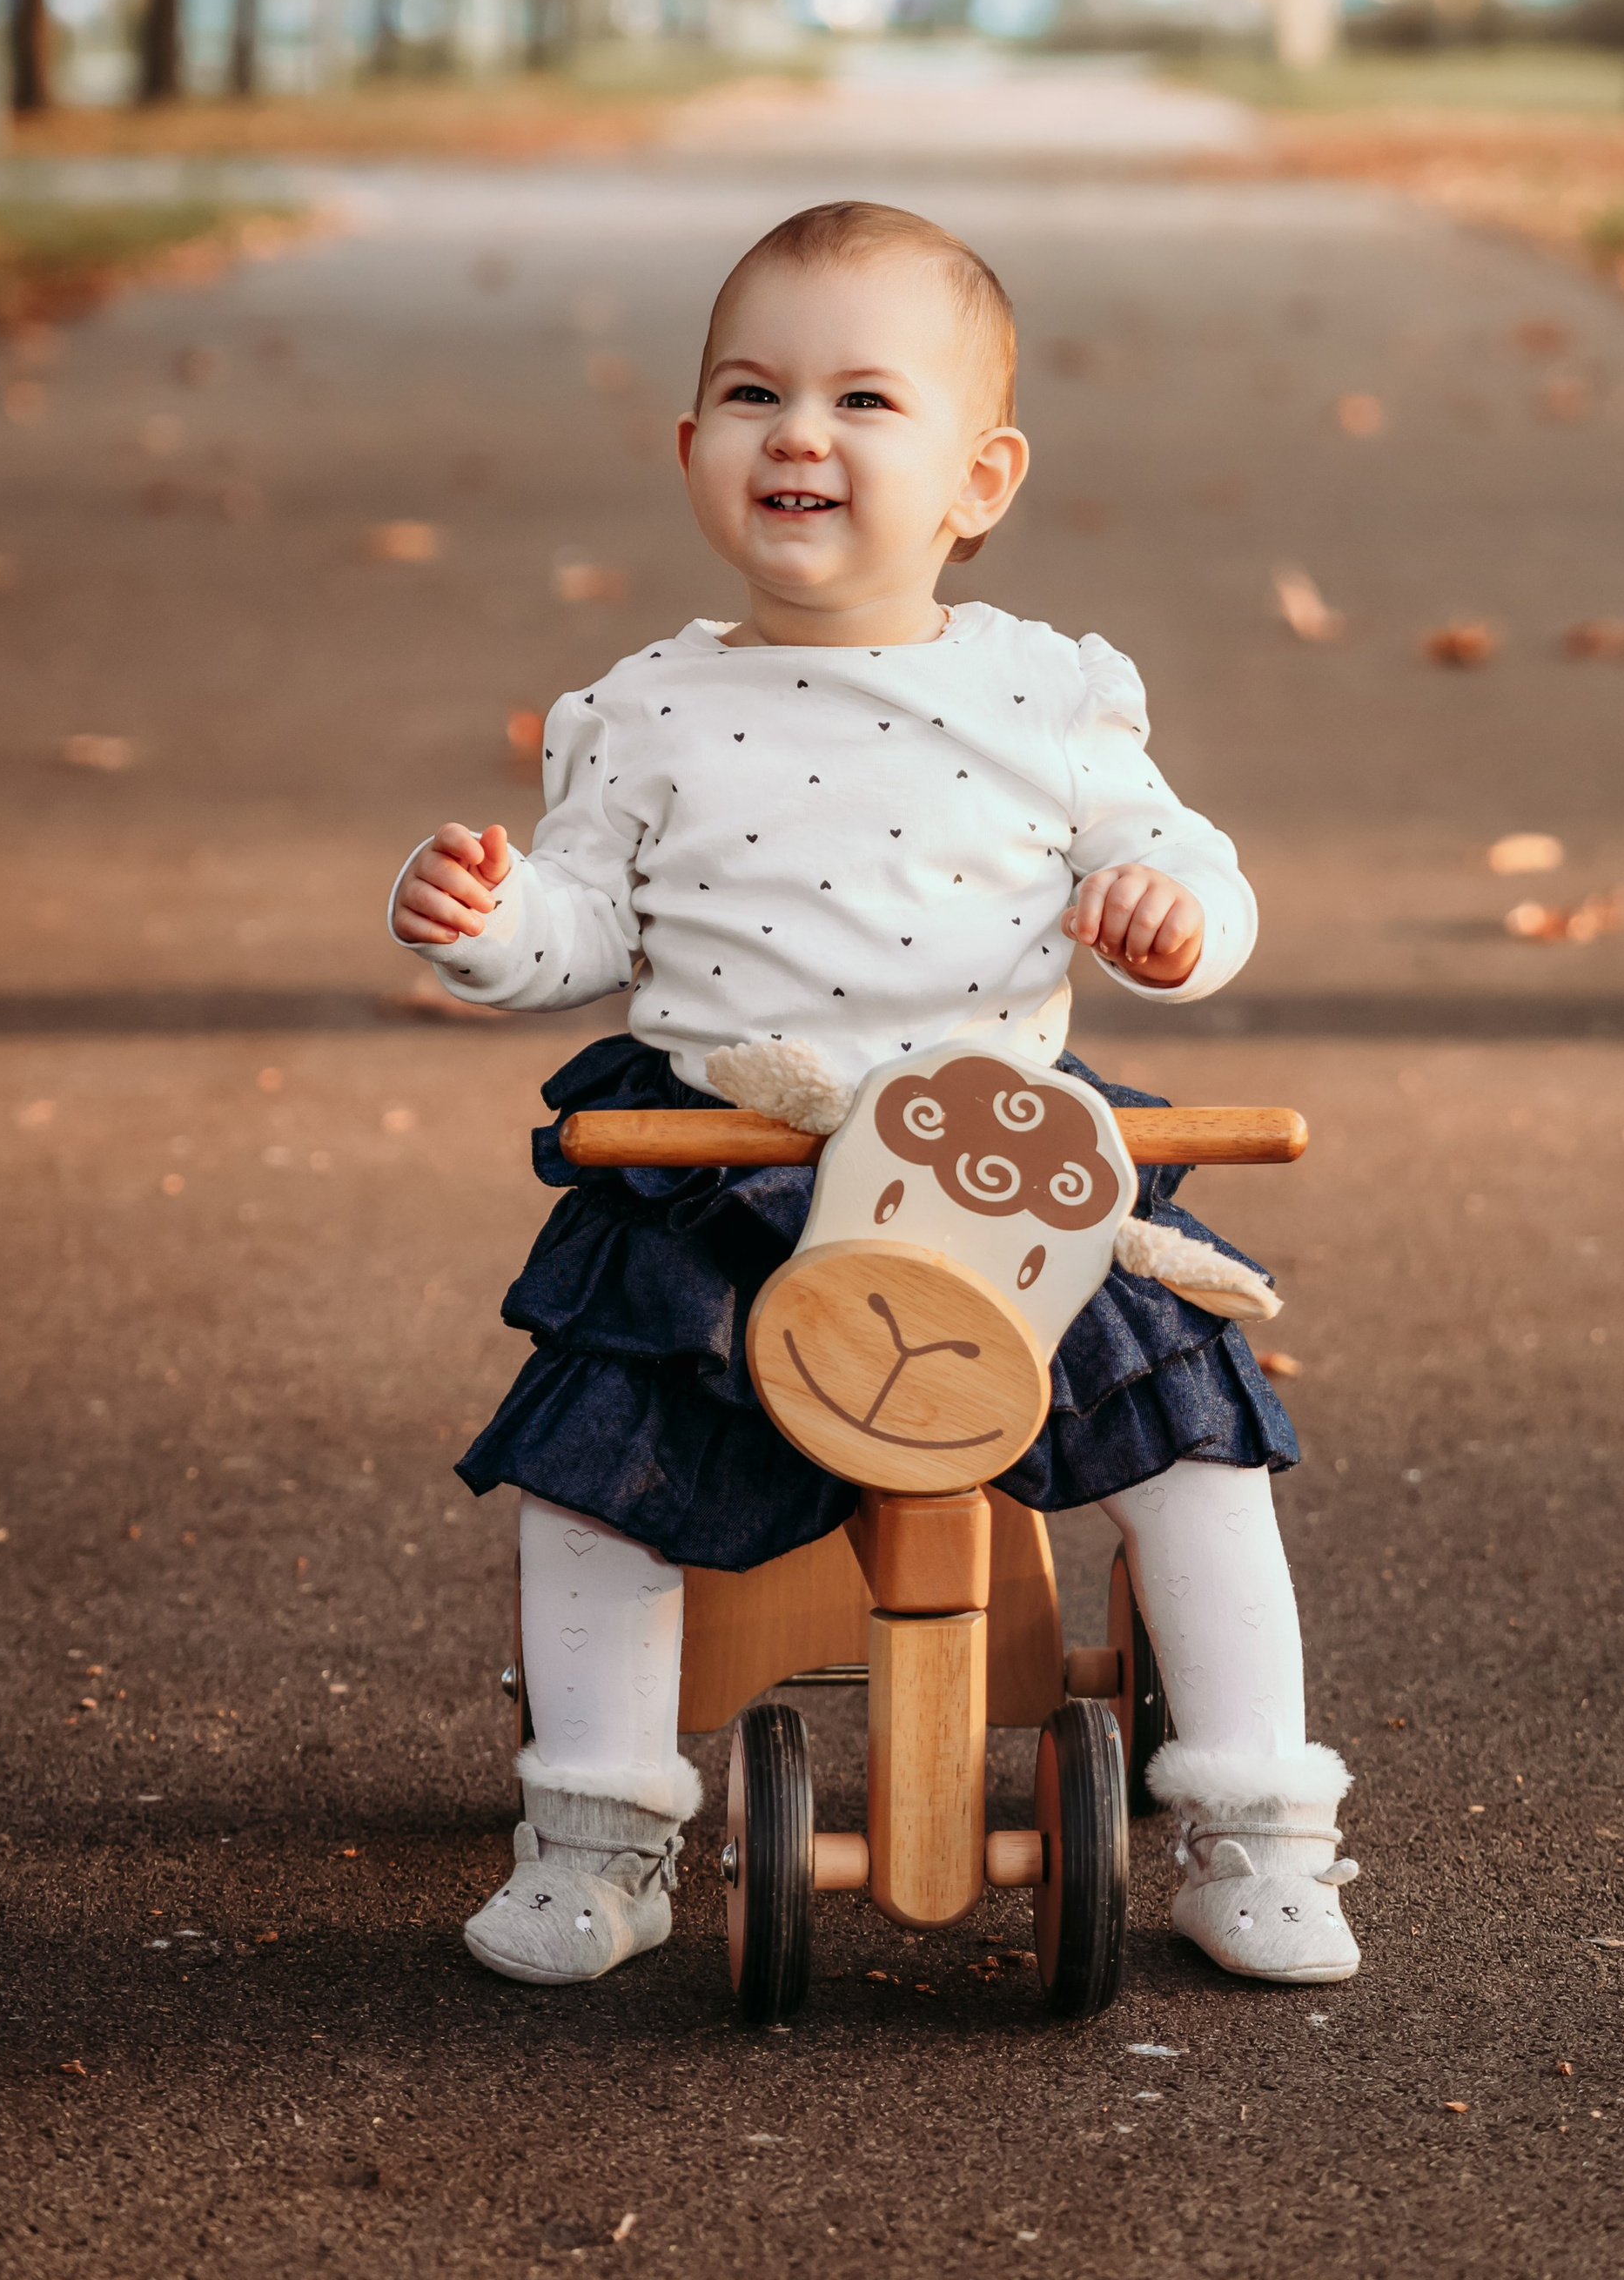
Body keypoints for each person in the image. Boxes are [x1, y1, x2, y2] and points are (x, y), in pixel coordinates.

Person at [390, 202, 1359, 1991]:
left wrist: (1175, 916)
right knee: (590, 1475)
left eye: (861, 397)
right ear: (690, 450)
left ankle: (1257, 1820)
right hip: (721, 1170)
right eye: (752, 392)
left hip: (1001, 1171)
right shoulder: (647, 709)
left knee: (1197, 1440)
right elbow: (577, 926)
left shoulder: (1041, 692)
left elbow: (1178, 859)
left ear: (978, 477)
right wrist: (482, 918)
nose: (799, 434)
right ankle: (595, 1828)